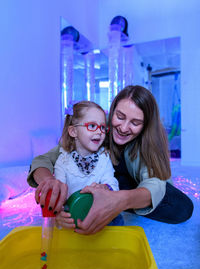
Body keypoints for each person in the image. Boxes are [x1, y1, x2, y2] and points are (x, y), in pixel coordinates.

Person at [27, 85, 193, 234]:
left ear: (145, 126)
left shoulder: (148, 143)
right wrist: (50, 183)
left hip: (131, 185)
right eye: (120, 117)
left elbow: (155, 183)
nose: (123, 128)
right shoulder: (96, 129)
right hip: (100, 181)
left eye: (135, 123)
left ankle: (114, 199)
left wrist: (120, 200)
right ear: (112, 112)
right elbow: (44, 160)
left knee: (181, 207)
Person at [35, 100, 120, 229]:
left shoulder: (104, 158)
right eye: (92, 126)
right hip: (74, 215)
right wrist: (58, 213)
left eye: (103, 127)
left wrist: (107, 188)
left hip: (99, 214)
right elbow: (57, 192)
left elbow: (112, 181)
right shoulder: (63, 162)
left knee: (118, 220)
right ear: (73, 132)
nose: (99, 132)